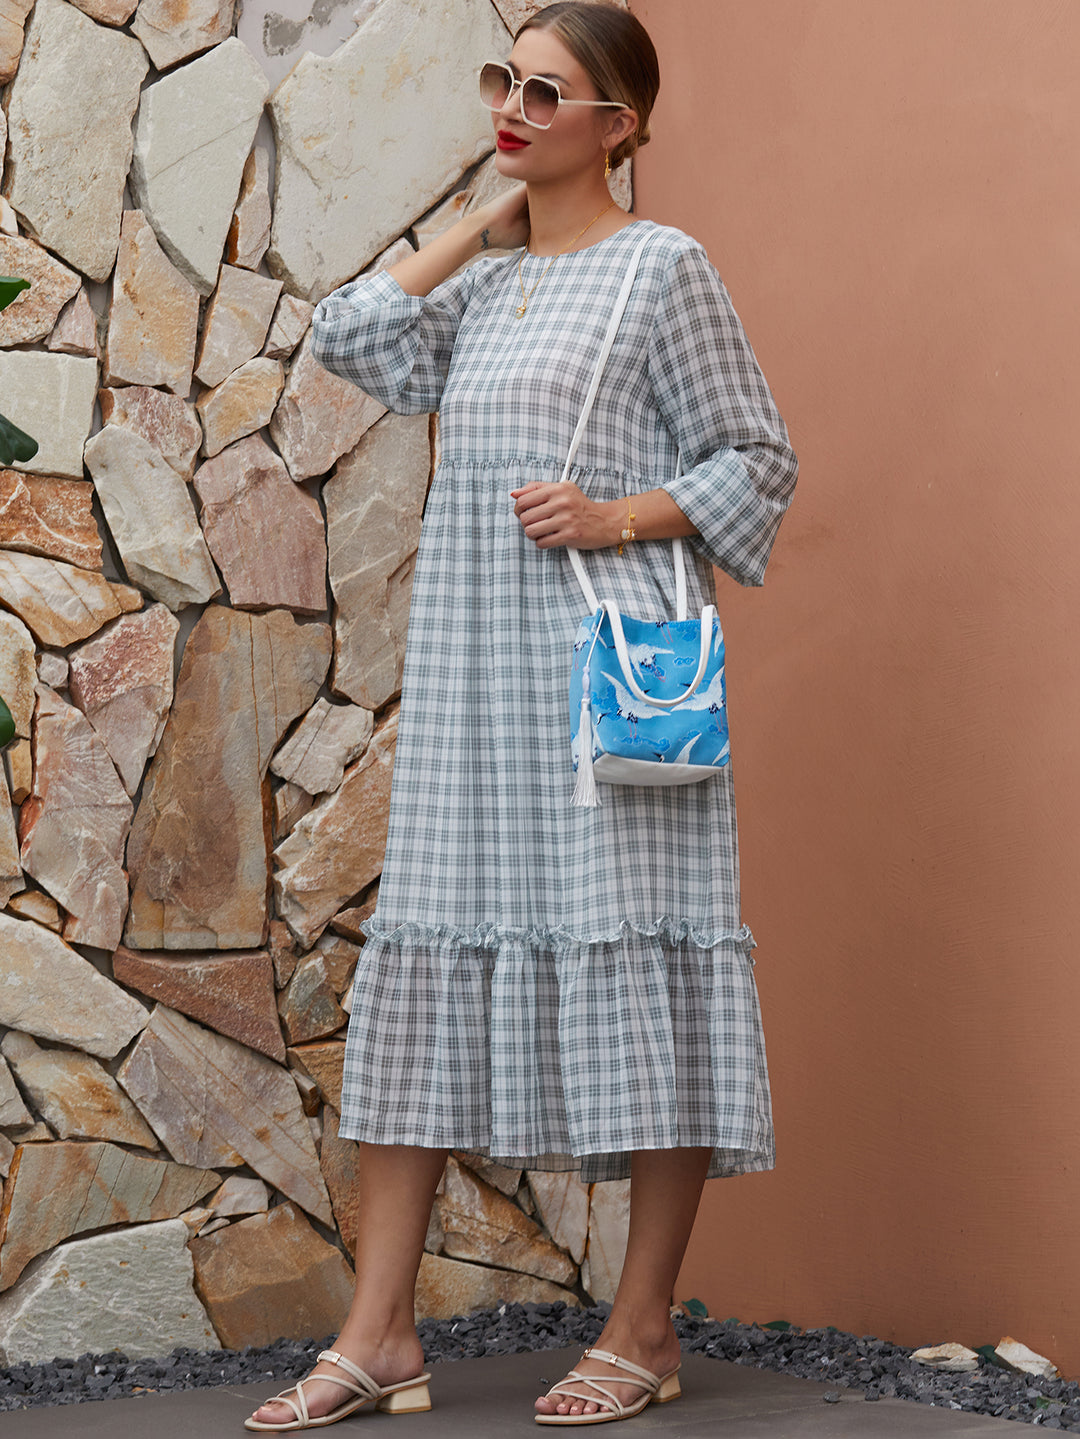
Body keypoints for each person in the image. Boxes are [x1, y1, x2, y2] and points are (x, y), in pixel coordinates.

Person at [246, 2, 797, 1430]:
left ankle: (644, 1329)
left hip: (607, 694)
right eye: (508, 80)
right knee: (426, 981)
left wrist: (618, 513)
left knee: (648, 964)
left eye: (549, 93)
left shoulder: (662, 270)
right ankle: (381, 1336)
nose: (513, 106)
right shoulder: (487, 292)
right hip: (473, 690)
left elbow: (759, 456)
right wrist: (486, 219)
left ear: (622, 125)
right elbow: (350, 331)